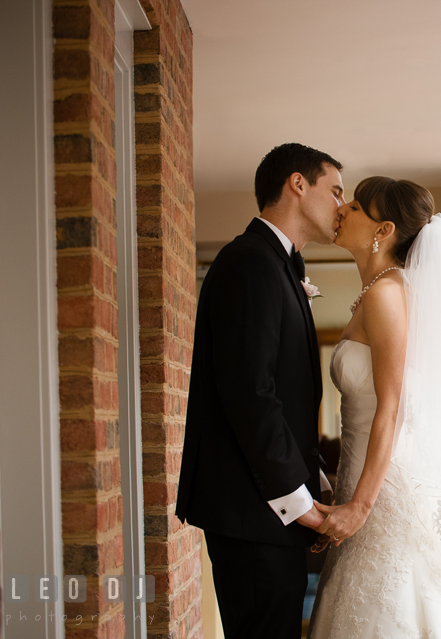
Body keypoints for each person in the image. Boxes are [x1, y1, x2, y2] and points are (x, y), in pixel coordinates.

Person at [308, 177, 441, 638]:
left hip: (383, 493)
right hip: (364, 477)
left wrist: (361, 506)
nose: (342, 207)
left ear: (382, 230)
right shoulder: (378, 292)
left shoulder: (387, 294)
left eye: (357, 205)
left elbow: (395, 407)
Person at [176, 143, 344, 639]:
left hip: (264, 512)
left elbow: (283, 401)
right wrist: (298, 501)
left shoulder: (276, 265)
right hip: (253, 513)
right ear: (298, 184)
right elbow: (251, 395)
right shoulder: (250, 263)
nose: (341, 205)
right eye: (335, 191)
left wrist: (313, 483)